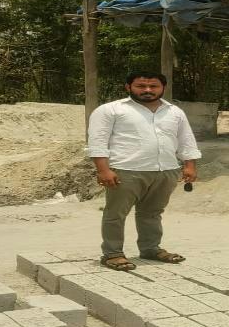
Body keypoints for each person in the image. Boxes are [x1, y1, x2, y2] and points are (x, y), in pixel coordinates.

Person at [86, 71, 201, 271]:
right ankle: (112, 254)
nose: (147, 90)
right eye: (141, 86)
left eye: (153, 86)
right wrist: (103, 169)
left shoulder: (174, 112)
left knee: (152, 213)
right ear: (128, 87)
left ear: (163, 88)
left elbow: (186, 139)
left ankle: (150, 249)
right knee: (116, 214)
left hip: (165, 170)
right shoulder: (110, 110)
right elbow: (97, 141)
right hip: (126, 170)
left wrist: (189, 165)